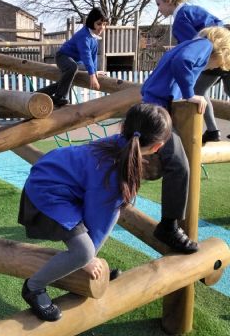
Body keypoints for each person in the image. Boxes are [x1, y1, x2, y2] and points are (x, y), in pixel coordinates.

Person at [19, 103, 172, 321]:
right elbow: (98, 222)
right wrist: (87, 259)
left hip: (58, 182)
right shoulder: (114, 175)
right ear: (158, 147)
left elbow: (104, 214)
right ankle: (34, 287)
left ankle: (81, 263)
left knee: (106, 224)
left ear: (122, 127)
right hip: (46, 190)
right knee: (83, 251)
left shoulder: (120, 145)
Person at [141, 26, 230, 258]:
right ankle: (169, 226)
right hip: (155, 108)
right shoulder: (203, 45)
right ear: (220, 50)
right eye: (218, 64)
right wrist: (190, 93)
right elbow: (183, 62)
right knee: (179, 165)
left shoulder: (189, 44)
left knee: (160, 160)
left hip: (154, 106)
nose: (214, 69)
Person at [155, 0, 228, 143]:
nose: (159, 10)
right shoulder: (193, 10)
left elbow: (191, 50)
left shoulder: (180, 19)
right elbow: (218, 24)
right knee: (204, 89)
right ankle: (213, 131)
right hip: (224, 50)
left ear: (169, 0)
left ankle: (212, 131)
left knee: (194, 90)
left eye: (159, 4)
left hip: (216, 55)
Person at [38, 7, 108, 107]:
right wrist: (92, 75)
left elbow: (93, 56)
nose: (102, 27)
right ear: (91, 22)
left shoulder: (94, 37)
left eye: (104, 24)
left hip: (76, 62)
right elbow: (86, 55)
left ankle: (40, 94)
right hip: (63, 57)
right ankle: (60, 97)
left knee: (68, 79)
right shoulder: (84, 36)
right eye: (99, 24)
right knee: (73, 68)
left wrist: (95, 71)